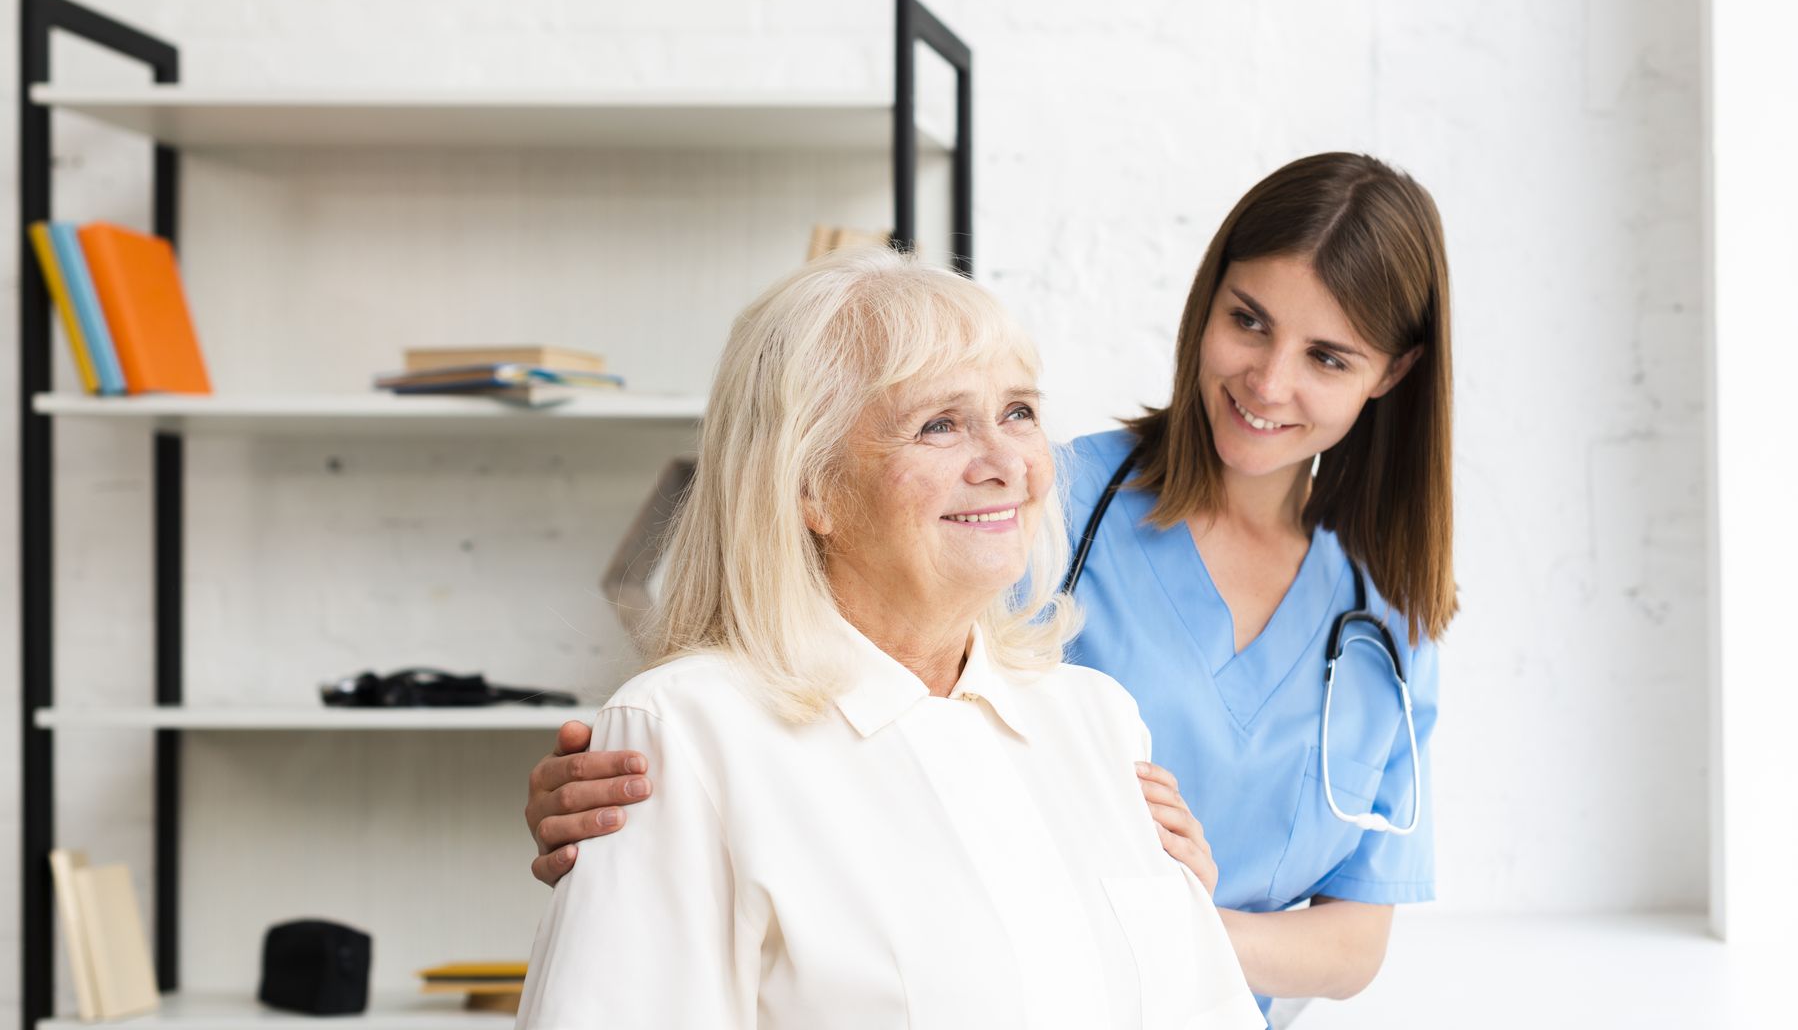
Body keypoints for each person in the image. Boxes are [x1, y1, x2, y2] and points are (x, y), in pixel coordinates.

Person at [525, 153, 1453, 1024]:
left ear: (1392, 373)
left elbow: (1355, 934)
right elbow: (799, 648)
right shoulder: (1035, 502)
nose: (1269, 378)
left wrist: (1162, 912)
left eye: (1328, 357)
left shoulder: (1362, 617)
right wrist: (666, 780)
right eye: (1248, 319)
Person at [515, 251, 1264, 1029]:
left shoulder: (1098, 721)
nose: (1007, 463)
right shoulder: (686, 734)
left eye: (1019, 412)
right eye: (939, 424)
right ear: (810, 487)